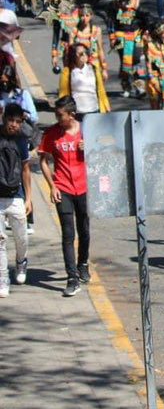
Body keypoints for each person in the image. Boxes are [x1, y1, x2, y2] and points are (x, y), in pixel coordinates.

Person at [39, 99, 89, 297]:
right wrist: (52, 186)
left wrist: (90, 148)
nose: (58, 119)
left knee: (84, 230)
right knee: (68, 234)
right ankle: (72, 278)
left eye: (61, 116)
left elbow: (105, 152)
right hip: (63, 188)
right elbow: (43, 161)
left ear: (72, 115)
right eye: (56, 115)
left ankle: (82, 263)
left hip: (84, 188)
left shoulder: (86, 131)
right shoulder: (51, 133)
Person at [0, 103, 32, 297]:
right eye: (11, 120)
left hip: (16, 197)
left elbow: (26, 170)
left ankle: (21, 262)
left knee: (22, 239)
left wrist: (29, 199)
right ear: (4, 118)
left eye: (17, 121)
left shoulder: (22, 140)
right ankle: (3, 279)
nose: (13, 125)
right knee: (0, 241)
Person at [58, 42, 109, 115]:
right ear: (74, 56)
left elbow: (101, 90)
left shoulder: (94, 69)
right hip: (77, 113)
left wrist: (106, 107)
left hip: (95, 110)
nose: (84, 55)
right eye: (81, 53)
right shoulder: (67, 72)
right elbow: (64, 94)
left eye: (86, 52)